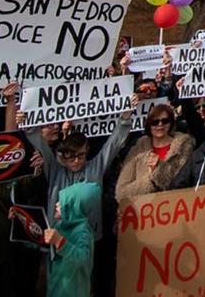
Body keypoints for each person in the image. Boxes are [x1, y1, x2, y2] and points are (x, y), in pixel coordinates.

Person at [19, 93, 137, 240]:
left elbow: (113, 144)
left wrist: (125, 117)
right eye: (71, 157)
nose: (76, 161)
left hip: (88, 238)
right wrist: (27, 123)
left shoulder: (96, 167)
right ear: (62, 156)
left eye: (80, 155)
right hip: (58, 238)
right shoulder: (55, 170)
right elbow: (41, 145)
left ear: (87, 151)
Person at [114, 103, 195, 201]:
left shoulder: (183, 145)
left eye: (165, 121)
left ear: (171, 123)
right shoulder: (139, 148)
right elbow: (121, 193)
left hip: (175, 208)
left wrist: (159, 168)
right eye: (155, 122)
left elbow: (181, 184)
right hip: (144, 210)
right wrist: (150, 182)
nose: (160, 125)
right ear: (148, 124)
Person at [45, 182, 102, 297]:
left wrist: (60, 242)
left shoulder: (83, 232)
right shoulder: (60, 226)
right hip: (56, 287)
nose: (56, 204)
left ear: (72, 207)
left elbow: (82, 258)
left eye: (61, 203)